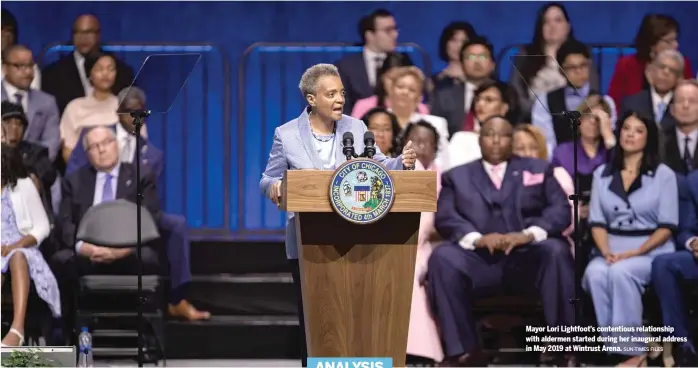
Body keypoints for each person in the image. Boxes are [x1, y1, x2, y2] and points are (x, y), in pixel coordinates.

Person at [259, 63, 416, 367]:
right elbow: (267, 179)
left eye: (341, 92)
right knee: (316, 324)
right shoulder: (287, 134)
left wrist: (403, 163)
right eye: (331, 93)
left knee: (358, 321)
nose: (340, 99)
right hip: (309, 242)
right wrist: (277, 187)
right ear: (311, 99)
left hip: (361, 237)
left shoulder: (356, 127)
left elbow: (380, 166)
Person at [427, 115, 575, 367]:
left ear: (512, 139)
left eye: (503, 135)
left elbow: (560, 210)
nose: (496, 140)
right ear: (480, 139)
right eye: (489, 134)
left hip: (527, 259)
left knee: (556, 250)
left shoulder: (538, 169)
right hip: (479, 262)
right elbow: (447, 217)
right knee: (443, 257)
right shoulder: (457, 176)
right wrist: (477, 239)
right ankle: (464, 351)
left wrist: (528, 234)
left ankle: (563, 347)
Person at [583, 111, 678, 367]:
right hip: (611, 247)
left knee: (620, 273)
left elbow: (667, 226)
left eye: (638, 130)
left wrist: (634, 253)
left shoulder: (663, 174)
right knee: (595, 274)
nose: (630, 135)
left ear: (648, 138)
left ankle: (633, 353)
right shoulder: (602, 173)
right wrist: (605, 252)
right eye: (626, 128)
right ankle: (623, 349)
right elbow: (598, 222)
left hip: (651, 248)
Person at [1, 144, 61, 346]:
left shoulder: (24, 186)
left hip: (22, 246)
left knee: (17, 256)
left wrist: (16, 244)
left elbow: (43, 226)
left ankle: (17, 330)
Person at [509, 3, 600, 121]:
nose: (552, 26)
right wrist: (538, 113)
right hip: (531, 119)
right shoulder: (525, 54)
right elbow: (516, 92)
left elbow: (592, 90)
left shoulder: (581, 53)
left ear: (568, 26)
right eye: (546, 22)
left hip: (574, 120)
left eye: (558, 20)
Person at [59, 52, 147, 163]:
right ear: (89, 74)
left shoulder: (126, 108)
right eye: (99, 69)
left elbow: (141, 145)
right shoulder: (74, 107)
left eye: (110, 69)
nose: (105, 73)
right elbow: (68, 150)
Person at [651, 171, 698, 367]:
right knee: (664, 264)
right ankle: (683, 345)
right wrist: (693, 242)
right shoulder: (693, 181)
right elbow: (685, 229)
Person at [405, 121, 443, 364]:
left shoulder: (444, 175)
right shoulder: (401, 171)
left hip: (434, 245)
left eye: (426, 142)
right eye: (415, 141)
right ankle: (412, 350)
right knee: (410, 271)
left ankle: (428, 350)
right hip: (406, 242)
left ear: (436, 148)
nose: (420, 147)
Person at [607, 14, 693, 109]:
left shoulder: (682, 64)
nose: (676, 45)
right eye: (669, 41)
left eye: (675, 39)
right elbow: (614, 102)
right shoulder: (627, 64)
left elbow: (690, 99)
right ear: (652, 44)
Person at [512, 124, 574, 244]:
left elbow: (570, 216)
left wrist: (535, 232)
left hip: (549, 238)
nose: (528, 153)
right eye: (520, 149)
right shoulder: (503, 178)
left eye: (533, 148)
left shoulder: (558, 174)